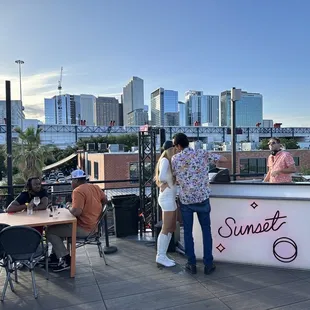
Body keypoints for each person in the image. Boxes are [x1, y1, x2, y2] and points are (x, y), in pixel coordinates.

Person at [170, 133, 225, 275]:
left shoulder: (175, 158)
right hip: (202, 198)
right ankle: (208, 264)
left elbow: (175, 177)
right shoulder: (202, 153)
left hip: (186, 200)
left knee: (187, 233)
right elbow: (223, 159)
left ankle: (191, 264)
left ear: (178, 145)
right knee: (206, 231)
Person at [46, 169, 107, 272]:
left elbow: (76, 212)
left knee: (50, 231)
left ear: (77, 181)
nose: (71, 183)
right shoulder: (95, 187)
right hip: (93, 227)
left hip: (84, 228)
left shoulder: (78, 191)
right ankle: (54, 257)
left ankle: (67, 261)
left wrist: (69, 206)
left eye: (72, 181)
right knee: (57, 229)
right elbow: (105, 201)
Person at [154, 141, 177, 267]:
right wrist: (168, 182)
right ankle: (160, 256)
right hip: (167, 198)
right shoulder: (165, 160)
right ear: (170, 149)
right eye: (174, 148)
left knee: (171, 228)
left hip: (170, 198)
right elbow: (161, 177)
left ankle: (163, 255)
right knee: (166, 227)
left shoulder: (167, 161)